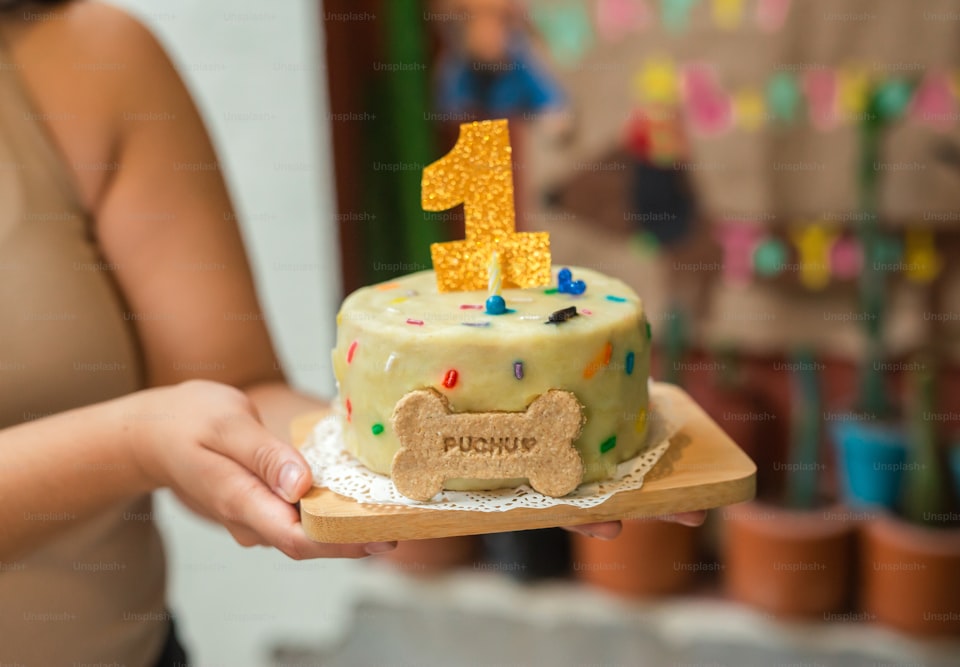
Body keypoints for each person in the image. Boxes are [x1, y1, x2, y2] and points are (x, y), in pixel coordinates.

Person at [0, 2, 701, 664]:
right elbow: (163, 428)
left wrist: (447, 473)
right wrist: (134, 440)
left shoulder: (91, 58)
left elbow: (235, 394)